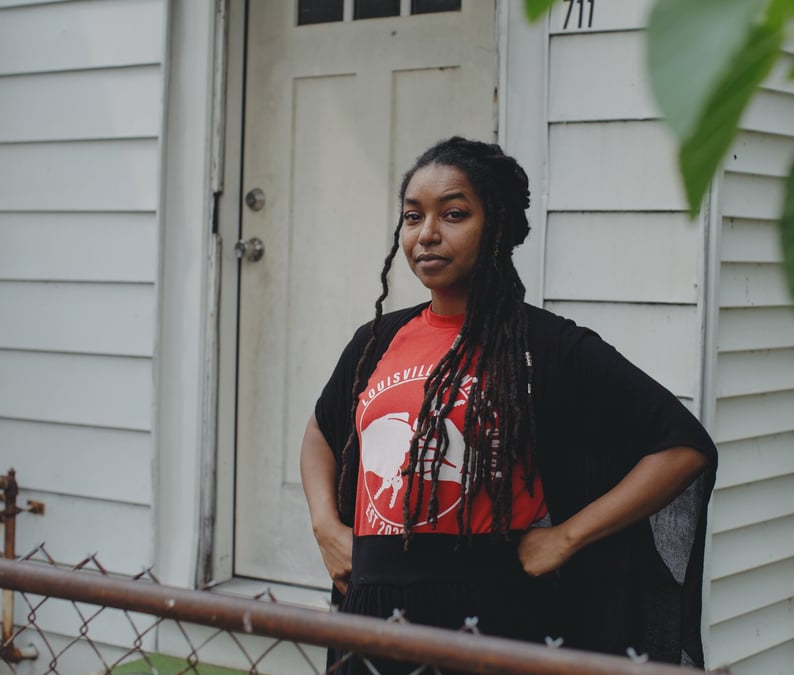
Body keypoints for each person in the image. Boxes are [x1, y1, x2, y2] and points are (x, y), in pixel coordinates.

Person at [299, 137, 717, 672]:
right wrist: (326, 527)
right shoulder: (377, 340)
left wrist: (566, 538)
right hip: (371, 608)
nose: (426, 234)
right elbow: (321, 431)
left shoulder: (548, 345)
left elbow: (683, 447)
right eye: (412, 216)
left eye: (453, 214)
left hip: (491, 616)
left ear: (495, 225)